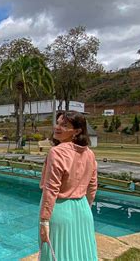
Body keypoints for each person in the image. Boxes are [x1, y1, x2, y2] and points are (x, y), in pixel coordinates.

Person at [39, 111, 98, 260]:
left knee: (56, 254)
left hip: (59, 210)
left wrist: (44, 220)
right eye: (57, 123)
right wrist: (86, 207)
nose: (57, 127)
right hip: (83, 210)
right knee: (80, 254)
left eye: (64, 125)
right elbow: (92, 187)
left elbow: (51, 189)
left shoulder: (56, 152)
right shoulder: (90, 154)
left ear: (77, 131)